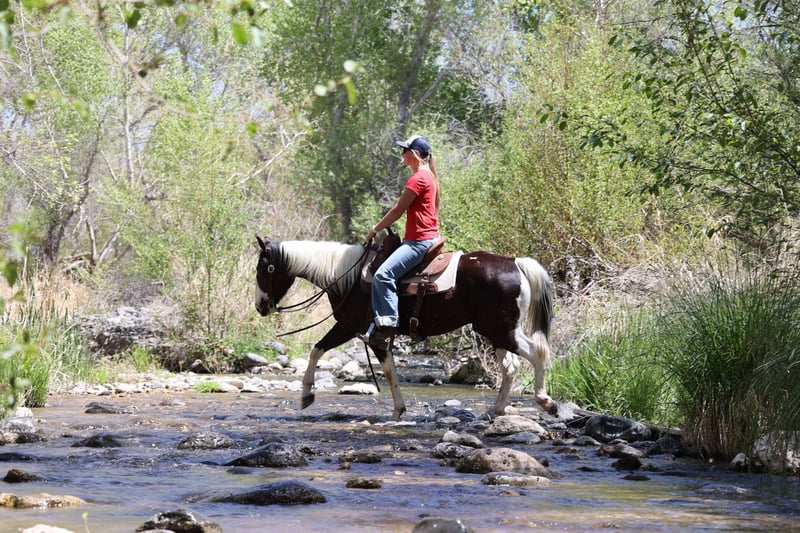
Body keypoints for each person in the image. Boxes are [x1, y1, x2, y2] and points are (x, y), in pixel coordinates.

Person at [364, 135, 441, 350]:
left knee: (383, 275)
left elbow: (397, 210)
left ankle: (387, 330)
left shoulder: (418, 178)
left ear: (414, 154)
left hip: (419, 242)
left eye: (405, 150)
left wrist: (374, 229)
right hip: (427, 237)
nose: (402, 154)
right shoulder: (428, 176)